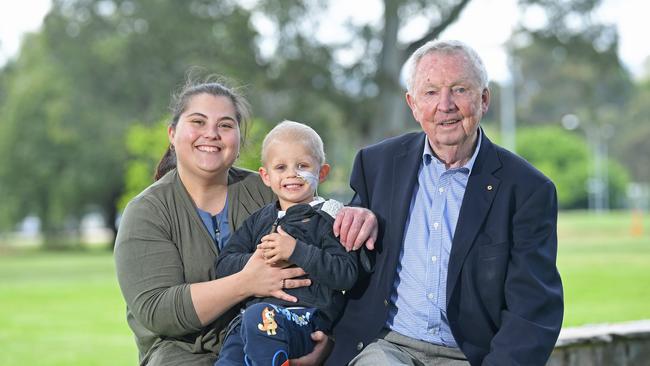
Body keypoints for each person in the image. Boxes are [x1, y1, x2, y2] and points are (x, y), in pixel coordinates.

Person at [328, 40, 564, 366]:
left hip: (470, 356)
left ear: (484, 99)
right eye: (430, 92)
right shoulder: (377, 164)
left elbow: (533, 308)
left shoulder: (527, 190)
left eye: (459, 89)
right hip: (386, 347)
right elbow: (337, 260)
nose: (445, 104)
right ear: (412, 104)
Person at [114, 77, 377, 366]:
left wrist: (358, 213)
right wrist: (246, 282)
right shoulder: (147, 212)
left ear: (238, 142)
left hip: (279, 335)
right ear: (173, 134)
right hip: (181, 355)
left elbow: (320, 221)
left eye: (225, 125)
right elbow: (157, 310)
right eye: (198, 122)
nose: (211, 133)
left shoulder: (266, 190)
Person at [214, 120, 369, 366]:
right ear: (265, 176)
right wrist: (257, 260)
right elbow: (223, 265)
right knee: (232, 352)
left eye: (302, 165)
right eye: (281, 167)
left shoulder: (330, 218)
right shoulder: (259, 219)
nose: (292, 174)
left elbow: (346, 274)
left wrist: (296, 251)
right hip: (251, 321)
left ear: (322, 172)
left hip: (305, 317)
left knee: (259, 317)